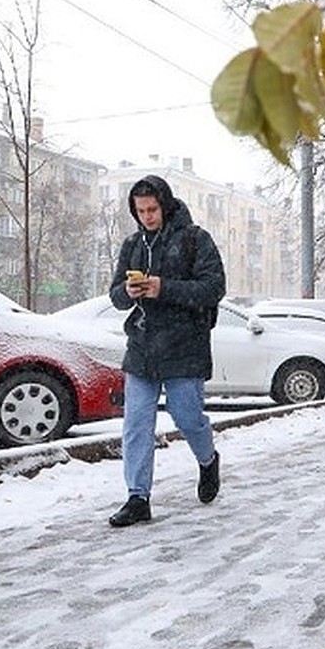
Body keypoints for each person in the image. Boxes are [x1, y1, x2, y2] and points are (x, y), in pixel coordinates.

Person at [106, 174, 226, 528]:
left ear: (166, 204)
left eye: (152, 209)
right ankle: (137, 497)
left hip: (184, 345)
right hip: (142, 346)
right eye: (140, 210)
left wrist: (163, 288)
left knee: (187, 416)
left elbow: (213, 287)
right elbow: (114, 296)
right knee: (136, 424)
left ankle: (207, 460)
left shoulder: (194, 239)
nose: (146, 216)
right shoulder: (132, 244)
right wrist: (129, 291)